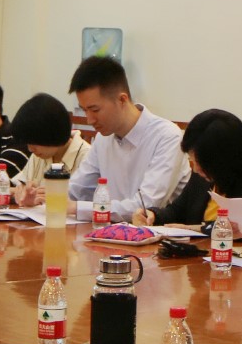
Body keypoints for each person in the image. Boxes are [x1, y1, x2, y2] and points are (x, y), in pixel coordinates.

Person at [66, 57, 186, 223]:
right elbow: (76, 189)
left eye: (95, 110)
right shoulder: (103, 139)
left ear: (122, 99)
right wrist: (41, 197)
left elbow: (145, 207)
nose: (89, 120)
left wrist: (77, 208)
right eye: (85, 110)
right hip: (109, 232)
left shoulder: (167, 137)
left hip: (157, 234)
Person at [134, 109, 242, 227]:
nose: (196, 169)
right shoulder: (204, 173)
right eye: (192, 160)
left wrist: (195, 229)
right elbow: (177, 211)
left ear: (221, 159)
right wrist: (153, 215)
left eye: (199, 162)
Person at [8, 93, 90, 206]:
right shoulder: (40, 155)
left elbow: (90, 203)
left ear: (52, 133)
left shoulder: (87, 157)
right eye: (27, 143)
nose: (30, 149)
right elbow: (19, 186)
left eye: (34, 142)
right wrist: (22, 193)